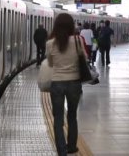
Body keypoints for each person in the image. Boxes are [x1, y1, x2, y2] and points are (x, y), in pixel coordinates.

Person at [45, 13, 87, 156]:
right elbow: (84, 59)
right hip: (74, 83)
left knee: (57, 118)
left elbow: (50, 63)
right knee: (72, 115)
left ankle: (61, 151)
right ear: (71, 26)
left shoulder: (50, 43)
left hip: (57, 83)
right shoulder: (77, 41)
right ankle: (71, 147)